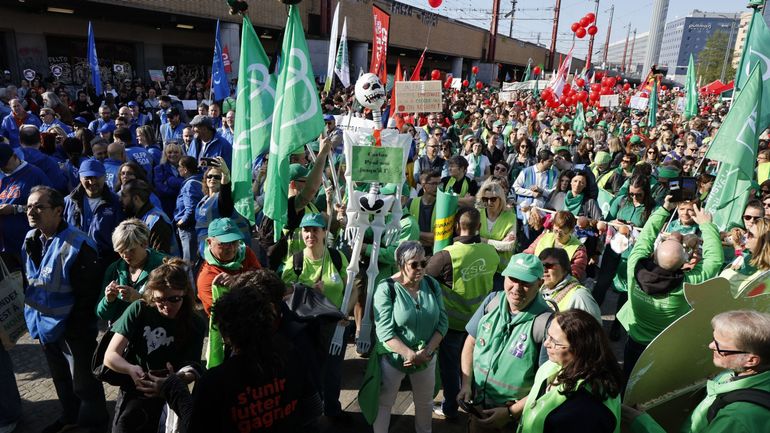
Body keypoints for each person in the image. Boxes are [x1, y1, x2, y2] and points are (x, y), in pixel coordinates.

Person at [143, 271, 322, 433]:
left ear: (225, 334)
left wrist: (174, 388)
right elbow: (314, 409)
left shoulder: (216, 381)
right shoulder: (291, 355)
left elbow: (196, 427)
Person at [22, 186, 109, 433]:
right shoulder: (31, 239)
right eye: (29, 206)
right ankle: (70, 417)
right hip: (44, 328)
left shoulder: (79, 244)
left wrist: (75, 330)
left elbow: (88, 296)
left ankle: (95, 425)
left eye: (39, 206)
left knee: (84, 383)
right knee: (61, 379)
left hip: (73, 331)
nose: (32, 211)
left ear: (59, 210)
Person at [617, 195, 723, 379]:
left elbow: (646, 237)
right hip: (662, 348)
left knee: (628, 377)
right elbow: (715, 260)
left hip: (634, 341)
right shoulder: (687, 284)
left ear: (654, 254)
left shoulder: (635, 265)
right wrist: (707, 225)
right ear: (684, 262)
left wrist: (665, 208)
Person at [623, 310, 770, 433]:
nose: (711, 346)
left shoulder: (736, 418)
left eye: (720, 346)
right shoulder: (747, 373)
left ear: (751, 360)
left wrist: (641, 423)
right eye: (714, 338)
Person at [103, 258, 206, 433]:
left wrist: (174, 381)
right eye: (160, 300)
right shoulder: (140, 309)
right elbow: (110, 356)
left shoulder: (195, 322)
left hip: (170, 397)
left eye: (174, 299)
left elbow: (193, 367)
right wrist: (130, 369)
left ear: (185, 293)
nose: (166, 306)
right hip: (135, 390)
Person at [458, 253, 552, 432]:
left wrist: (510, 413)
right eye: (513, 279)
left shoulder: (546, 323)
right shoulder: (492, 301)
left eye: (526, 283)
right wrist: (466, 385)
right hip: (478, 409)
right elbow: (471, 343)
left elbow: (547, 383)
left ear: (540, 284)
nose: (516, 288)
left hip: (513, 421)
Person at [425, 208, 499, 420]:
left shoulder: (446, 255)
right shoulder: (491, 252)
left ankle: (450, 408)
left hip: (453, 325)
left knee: (451, 370)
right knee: (475, 366)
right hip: (480, 323)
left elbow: (424, 278)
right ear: (479, 227)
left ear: (457, 226)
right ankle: (475, 403)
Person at [367, 241, 447, 433]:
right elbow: (384, 331)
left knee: (425, 403)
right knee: (385, 403)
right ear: (400, 264)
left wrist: (426, 352)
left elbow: (443, 322)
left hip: (426, 357)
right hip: (394, 358)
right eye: (414, 264)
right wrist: (410, 355)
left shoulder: (432, 284)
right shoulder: (386, 288)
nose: (420, 268)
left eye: (423, 263)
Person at [280, 212, 350, 419]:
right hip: (306, 327)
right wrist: (310, 290)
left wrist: (346, 311)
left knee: (334, 370)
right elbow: (284, 293)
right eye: (306, 230)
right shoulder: (295, 261)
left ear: (324, 232)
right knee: (309, 370)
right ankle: (311, 412)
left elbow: (351, 288)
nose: (310, 234)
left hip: (335, 324)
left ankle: (332, 409)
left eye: (315, 230)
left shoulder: (337, 257)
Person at [510, 309, 623, 433]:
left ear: (579, 348)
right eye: (548, 336)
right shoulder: (554, 365)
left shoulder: (586, 410)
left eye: (555, 341)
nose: (546, 343)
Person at [95, 218, 167, 323]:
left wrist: (140, 299)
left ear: (144, 243)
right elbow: (102, 314)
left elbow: (174, 308)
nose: (125, 256)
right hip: (121, 333)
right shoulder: (114, 269)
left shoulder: (164, 266)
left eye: (131, 250)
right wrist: (108, 301)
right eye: (121, 251)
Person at [197, 217, 262, 316]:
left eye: (234, 241)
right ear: (209, 242)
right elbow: (227, 314)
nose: (231, 248)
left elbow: (263, 283)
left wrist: (237, 282)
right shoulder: (207, 276)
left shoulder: (245, 253)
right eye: (224, 243)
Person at [63, 159, 123, 263]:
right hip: (73, 260)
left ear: (104, 177)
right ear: (80, 178)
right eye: (88, 178)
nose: (92, 182)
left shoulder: (116, 202)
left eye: (96, 177)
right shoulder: (68, 202)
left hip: (105, 262)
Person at [194, 158, 251, 260]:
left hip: (222, 251)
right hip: (204, 249)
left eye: (217, 177)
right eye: (209, 176)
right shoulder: (203, 201)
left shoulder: (224, 198)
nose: (212, 179)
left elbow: (225, 190)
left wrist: (225, 173)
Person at [1, 142, 52, 254]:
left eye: (4, 164)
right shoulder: (1, 176)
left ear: (14, 156)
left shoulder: (35, 174)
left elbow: (50, 206)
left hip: (28, 244)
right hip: (5, 246)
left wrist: (15, 209)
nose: (2, 168)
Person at [538, 248, 602, 322]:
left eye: (549, 266)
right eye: (541, 266)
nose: (544, 270)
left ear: (564, 269)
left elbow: (594, 331)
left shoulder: (580, 296)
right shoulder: (539, 290)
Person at [524, 211, 589, 282]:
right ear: (553, 225)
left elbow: (575, 274)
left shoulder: (579, 250)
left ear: (572, 231)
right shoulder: (543, 237)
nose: (558, 235)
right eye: (555, 231)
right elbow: (527, 254)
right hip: (534, 278)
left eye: (562, 233)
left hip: (557, 285)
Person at [119, 179, 179, 256]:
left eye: (124, 196)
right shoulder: (139, 217)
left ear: (136, 198)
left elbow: (160, 259)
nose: (120, 199)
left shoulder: (156, 221)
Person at [476, 180, 517, 279]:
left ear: (501, 199)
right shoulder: (478, 213)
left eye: (493, 199)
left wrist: (483, 240)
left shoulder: (510, 216)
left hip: (500, 270)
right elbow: (473, 239)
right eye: (485, 199)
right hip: (480, 266)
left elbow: (508, 246)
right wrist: (499, 243)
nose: (489, 202)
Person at [18, 124, 68, 192]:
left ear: (20, 140)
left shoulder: (10, 159)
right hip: (41, 199)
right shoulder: (50, 162)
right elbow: (60, 185)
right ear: (41, 140)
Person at [174, 156, 204, 264]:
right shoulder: (200, 180)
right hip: (196, 226)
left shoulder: (189, 184)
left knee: (189, 262)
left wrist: (181, 222)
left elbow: (191, 209)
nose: (178, 169)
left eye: (179, 167)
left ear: (185, 169)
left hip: (188, 229)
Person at [410, 170, 441, 251]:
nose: (437, 187)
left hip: (434, 253)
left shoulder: (443, 206)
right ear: (424, 185)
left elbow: (438, 238)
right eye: (433, 184)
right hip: (413, 252)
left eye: (439, 183)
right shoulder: (411, 203)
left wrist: (414, 234)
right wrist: (428, 238)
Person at [152, 142, 184, 218]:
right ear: (165, 154)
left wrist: (169, 182)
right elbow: (161, 189)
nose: (172, 155)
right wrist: (180, 191)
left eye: (176, 152)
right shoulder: (159, 169)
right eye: (169, 152)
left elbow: (186, 183)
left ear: (181, 153)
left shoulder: (186, 168)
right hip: (167, 205)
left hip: (183, 205)